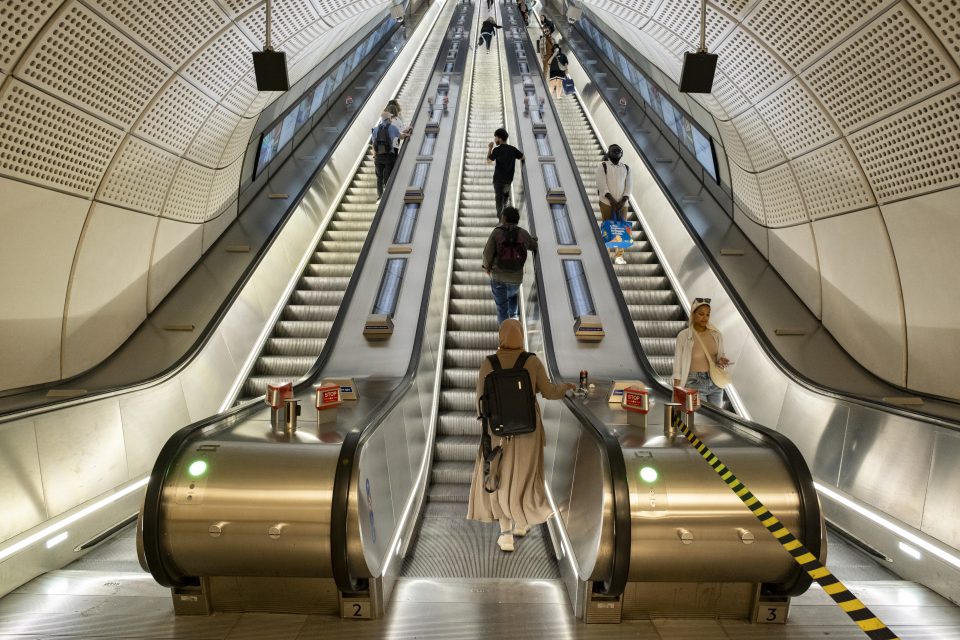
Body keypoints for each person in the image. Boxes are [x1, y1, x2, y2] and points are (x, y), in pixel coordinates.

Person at [467, 319, 576, 551]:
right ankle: (522, 521)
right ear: (521, 337)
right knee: (526, 478)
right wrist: (567, 387)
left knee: (500, 478)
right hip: (528, 432)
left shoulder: (489, 363)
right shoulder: (531, 361)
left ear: (501, 337)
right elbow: (549, 392)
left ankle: (505, 534)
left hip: (497, 433)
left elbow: (479, 404)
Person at [482, 206, 537, 325]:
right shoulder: (523, 233)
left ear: (504, 218)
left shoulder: (497, 232)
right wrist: (533, 240)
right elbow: (534, 246)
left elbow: (487, 254)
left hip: (498, 278)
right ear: (517, 219)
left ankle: (506, 336)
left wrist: (487, 268)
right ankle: (515, 320)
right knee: (512, 296)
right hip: (516, 278)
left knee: (502, 308)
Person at [672, 298, 731, 405]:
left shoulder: (716, 335)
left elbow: (721, 355)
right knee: (699, 418)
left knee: (717, 420)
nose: (705, 318)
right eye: (701, 314)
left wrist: (721, 361)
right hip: (694, 382)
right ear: (693, 314)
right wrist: (676, 393)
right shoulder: (683, 336)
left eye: (708, 314)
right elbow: (677, 367)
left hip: (715, 382)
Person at [595, 144, 632, 264]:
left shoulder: (626, 168)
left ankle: (619, 256)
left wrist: (622, 201)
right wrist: (612, 201)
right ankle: (606, 253)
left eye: (618, 150)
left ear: (621, 153)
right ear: (608, 152)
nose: (616, 152)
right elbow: (601, 183)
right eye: (613, 150)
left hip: (623, 204)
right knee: (608, 226)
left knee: (622, 228)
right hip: (606, 202)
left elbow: (629, 186)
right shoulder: (603, 166)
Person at [487, 128, 525, 215]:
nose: (495, 139)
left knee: (499, 200)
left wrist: (490, 148)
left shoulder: (497, 150)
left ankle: (501, 220)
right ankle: (506, 214)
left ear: (499, 138)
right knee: (504, 199)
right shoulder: (513, 149)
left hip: (498, 180)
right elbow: (523, 157)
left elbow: (488, 161)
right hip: (508, 180)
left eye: (495, 137)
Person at [371, 110, 401, 199]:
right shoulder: (393, 128)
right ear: (388, 119)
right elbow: (398, 139)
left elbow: (373, 144)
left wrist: (375, 156)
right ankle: (388, 197)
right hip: (389, 156)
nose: (391, 119)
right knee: (388, 177)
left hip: (378, 157)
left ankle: (380, 196)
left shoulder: (375, 129)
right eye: (391, 118)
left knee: (379, 178)